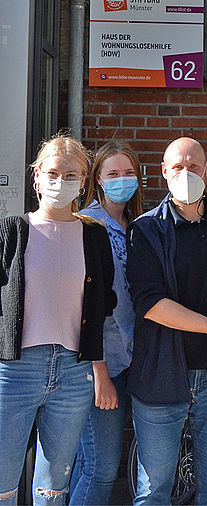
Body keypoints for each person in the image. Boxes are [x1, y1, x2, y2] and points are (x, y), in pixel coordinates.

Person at [126, 137, 207, 505]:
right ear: (164, 172)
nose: (187, 173)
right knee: (155, 490)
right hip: (162, 374)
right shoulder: (145, 230)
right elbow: (150, 304)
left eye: (194, 166)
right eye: (178, 167)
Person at [0, 134, 116, 505]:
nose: (60, 182)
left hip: (72, 373)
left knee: (53, 488)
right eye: (52, 172)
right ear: (36, 175)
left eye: (71, 175)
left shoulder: (94, 237)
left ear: (84, 182)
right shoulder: (12, 231)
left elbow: (103, 304)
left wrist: (99, 371)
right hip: (14, 370)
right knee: (2, 482)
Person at [69, 140, 144, 505]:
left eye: (129, 173)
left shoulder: (140, 226)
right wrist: (100, 374)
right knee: (99, 466)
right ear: (97, 180)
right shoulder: (88, 226)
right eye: (113, 173)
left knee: (93, 462)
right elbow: (86, 306)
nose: (122, 180)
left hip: (133, 359)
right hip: (102, 366)